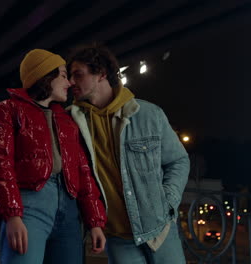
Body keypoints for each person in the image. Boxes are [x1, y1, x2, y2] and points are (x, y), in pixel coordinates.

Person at [66, 44, 190, 263]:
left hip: (159, 229)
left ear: (101, 74)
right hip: (116, 236)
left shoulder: (149, 114)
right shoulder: (72, 122)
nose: (71, 82)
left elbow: (178, 160)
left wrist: (168, 202)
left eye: (78, 75)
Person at [0, 49, 107, 264]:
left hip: (70, 210)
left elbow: (83, 171)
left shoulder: (68, 121)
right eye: (62, 75)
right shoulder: (7, 110)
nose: (69, 82)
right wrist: (12, 215)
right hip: (29, 206)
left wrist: (95, 222)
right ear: (44, 76)